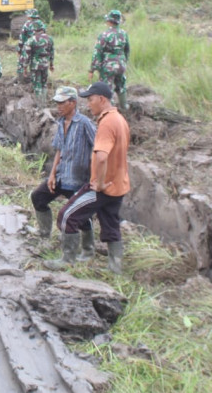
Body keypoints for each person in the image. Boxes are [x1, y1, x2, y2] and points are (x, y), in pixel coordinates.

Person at [54, 81, 130, 273]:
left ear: (102, 99)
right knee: (110, 223)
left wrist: (100, 183)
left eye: (91, 100)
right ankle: (115, 268)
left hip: (103, 186)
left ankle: (67, 259)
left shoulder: (107, 123)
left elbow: (102, 157)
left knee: (67, 215)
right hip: (119, 184)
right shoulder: (120, 119)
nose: (88, 105)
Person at [32, 87, 97, 269]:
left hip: (79, 179)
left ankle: (85, 251)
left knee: (78, 216)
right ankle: (44, 236)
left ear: (73, 103)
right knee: (38, 197)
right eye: (57, 103)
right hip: (61, 176)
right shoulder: (61, 123)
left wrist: (95, 175)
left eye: (62, 102)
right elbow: (59, 149)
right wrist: (52, 174)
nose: (59, 106)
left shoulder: (85, 124)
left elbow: (99, 148)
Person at [89, 10, 130, 110]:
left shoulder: (104, 35)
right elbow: (127, 50)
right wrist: (124, 62)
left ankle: (109, 110)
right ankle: (124, 106)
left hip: (108, 66)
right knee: (121, 85)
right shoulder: (124, 34)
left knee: (107, 88)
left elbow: (97, 52)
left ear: (109, 21)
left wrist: (92, 69)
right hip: (121, 64)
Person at [20, 19, 55, 107]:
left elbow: (27, 55)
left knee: (37, 85)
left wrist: (24, 67)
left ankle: (40, 105)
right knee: (44, 84)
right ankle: (44, 103)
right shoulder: (50, 39)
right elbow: (52, 53)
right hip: (45, 65)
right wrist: (51, 64)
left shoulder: (31, 40)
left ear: (34, 30)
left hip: (35, 66)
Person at [17, 9, 39, 78]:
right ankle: (35, 78)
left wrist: (19, 50)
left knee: (21, 62)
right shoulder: (41, 24)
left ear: (29, 16)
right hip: (39, 47)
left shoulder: (27, 24)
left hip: (28, 46)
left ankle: (21, 78)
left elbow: (22, 38)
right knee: (35, 63)